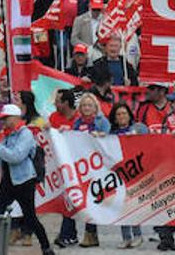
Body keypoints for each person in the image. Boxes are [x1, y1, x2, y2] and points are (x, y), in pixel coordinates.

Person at [0, 103, 55, 255]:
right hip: (8, 181)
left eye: (6, 118)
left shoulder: (26, 134)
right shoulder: (7, 134)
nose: (3, 121)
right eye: (2, 118)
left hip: (24, 181)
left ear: (16, 118)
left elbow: (16, 157)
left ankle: (46, 248)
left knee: (30, 218)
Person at [64, 95, 111, 248]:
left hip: (97, 167)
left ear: (95, 107)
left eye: (89, 105)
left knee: (92, 201)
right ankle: (72, 234)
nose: (86, 108)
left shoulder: (102, 122)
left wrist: (101, 136)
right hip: (81, 167)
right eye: (84, 105)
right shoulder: (78, 123)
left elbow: (111, 140)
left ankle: (90, 234)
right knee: (77, 199)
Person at [109, 103, 148, 249]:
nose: (121, 117)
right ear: (114, 118)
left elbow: (150, 142)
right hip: (119, 174)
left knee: (133, 205)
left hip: (136, 171)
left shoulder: (138, 129)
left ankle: (138, 235)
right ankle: (126, 237)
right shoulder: (112, 134)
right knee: (122, 206)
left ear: (129, 115)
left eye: (124, 113)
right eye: (118, 114)